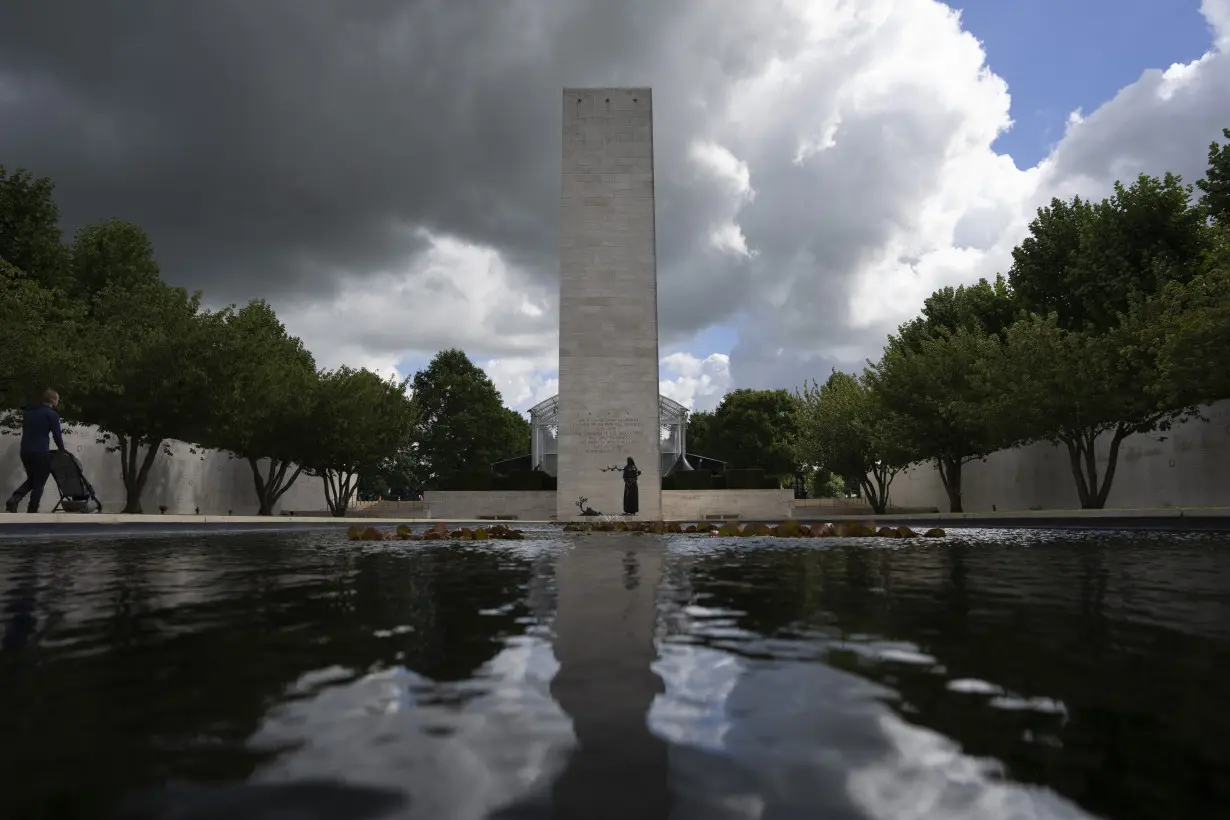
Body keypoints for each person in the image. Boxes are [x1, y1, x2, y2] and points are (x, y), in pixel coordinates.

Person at [5, 389, 66, 514]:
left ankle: (14, 499)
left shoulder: (29, 413)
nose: (58, 402)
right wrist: (62, 449)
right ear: (53, 400)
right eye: (57, 399)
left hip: (25, 451)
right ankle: (32, 510)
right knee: (39, 482)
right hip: (40, 452)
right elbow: (57, 435)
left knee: (33, 479)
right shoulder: (52, 414)